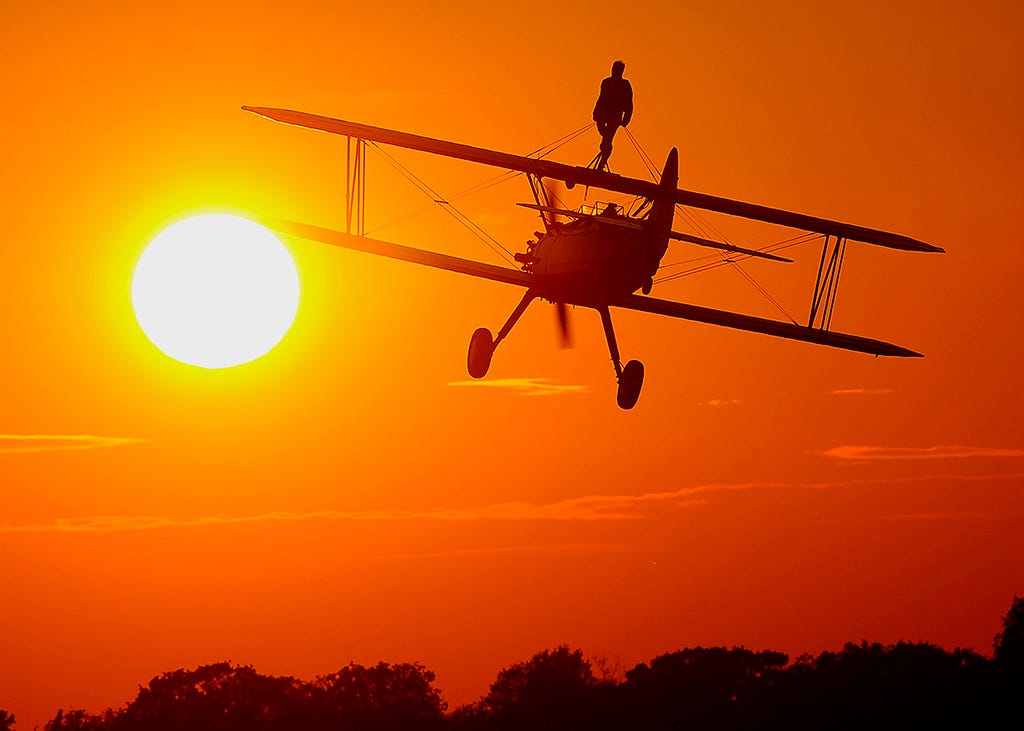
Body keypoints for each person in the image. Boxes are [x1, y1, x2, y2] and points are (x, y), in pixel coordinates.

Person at [592, 60, 633, 170]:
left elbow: (629, 104)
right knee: (605, 138)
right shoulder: (606, 82)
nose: (614, 71)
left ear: (621, 71)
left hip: (615, 117)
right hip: (603, 115)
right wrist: (596, 113)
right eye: (613, 69)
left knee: (608, 139)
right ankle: (603, 156)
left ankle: (602, 162)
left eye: (617, 70)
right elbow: (601, 98)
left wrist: (625, 120)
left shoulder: (625, 85)